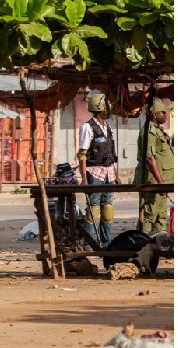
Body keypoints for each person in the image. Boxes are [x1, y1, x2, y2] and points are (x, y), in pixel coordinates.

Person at [77, 92, 121, 249]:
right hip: (94, 172)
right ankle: (88, 244)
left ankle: (106, 242)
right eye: (106, 107)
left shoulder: (107, 128)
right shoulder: (87, 127)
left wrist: (115, 174)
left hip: (108, 172)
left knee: (107, 208)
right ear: (99, 108)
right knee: (93, 208)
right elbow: (82, 154)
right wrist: (84, 178)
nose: (108, 110)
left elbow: (109, 155)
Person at [133, 98, 174, 233]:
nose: (166, 115)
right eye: (163, 112)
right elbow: (150, 159)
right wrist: (160, 182)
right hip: (152, 180)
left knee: (160, 217)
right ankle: (144, 247)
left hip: (161, 182)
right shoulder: (149, 131)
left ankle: (159, 248)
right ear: (154, 114)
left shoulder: (157, 130)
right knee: (149, 216)